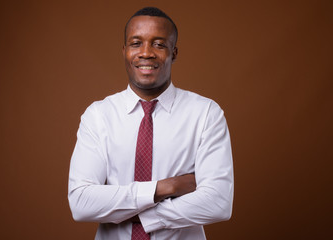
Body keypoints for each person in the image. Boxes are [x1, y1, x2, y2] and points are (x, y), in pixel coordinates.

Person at [68, 7, 234, 240]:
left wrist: (143, 214)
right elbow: (81, 203)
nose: (146, 53)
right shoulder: (98, 116)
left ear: (173, 53)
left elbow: (218, 202)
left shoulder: (205, 113)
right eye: (136, 43)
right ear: (124, 51)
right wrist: (167, 188)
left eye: (158, 44)